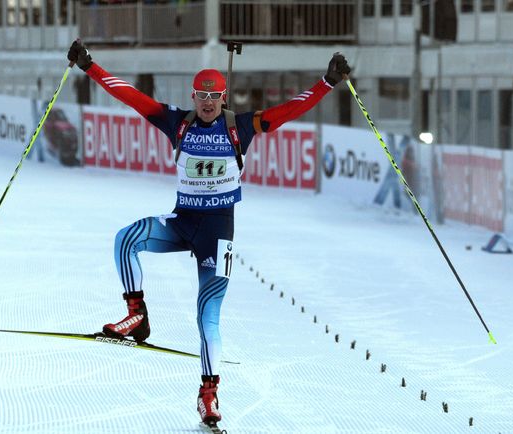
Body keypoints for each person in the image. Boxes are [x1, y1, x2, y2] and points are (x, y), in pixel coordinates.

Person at [67, 39, 350, 427]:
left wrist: (326, 82)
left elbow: (288, 111)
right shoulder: (177, 122)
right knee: (126, 238)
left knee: (208, 316)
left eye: (214, 97)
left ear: (223, 97)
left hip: (219, 236)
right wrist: (90, 67)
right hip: (183, 223)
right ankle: (137, 316)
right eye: (201, 96)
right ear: (193, 96)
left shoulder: (240, 128)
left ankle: (209, 394)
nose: (207, 103)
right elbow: (132, 97)